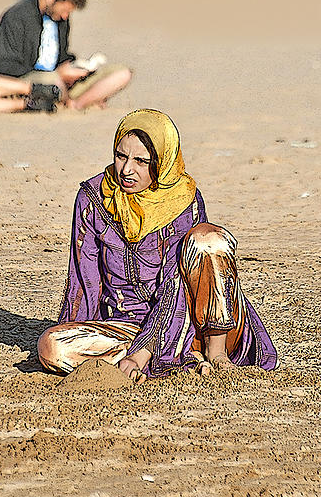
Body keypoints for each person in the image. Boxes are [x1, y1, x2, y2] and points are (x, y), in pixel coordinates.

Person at [37, 109, 278, 383]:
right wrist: (75, 332)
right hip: (126, 326)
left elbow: (175, 285)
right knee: (51, 346)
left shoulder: (184, 200)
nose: (127, 170)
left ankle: (213, 354)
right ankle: (177, 359)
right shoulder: (93, 198)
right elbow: (84, 280)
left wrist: (142, 353)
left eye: (142, 161)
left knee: (209, 240)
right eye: (121, 156)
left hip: (190, 320)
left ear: (162, 162)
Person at [0, 0, 133, 110]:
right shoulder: (17, 16)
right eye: (65, 10)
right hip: (25, 83)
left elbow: (60, 56)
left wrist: (77, 68)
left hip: (60, 82)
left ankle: (76, 105)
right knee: (52, 80)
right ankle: (68, 100)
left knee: (121, 74)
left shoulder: (60, 19)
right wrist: (57, 74)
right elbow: (5, 66)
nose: (65, 16)